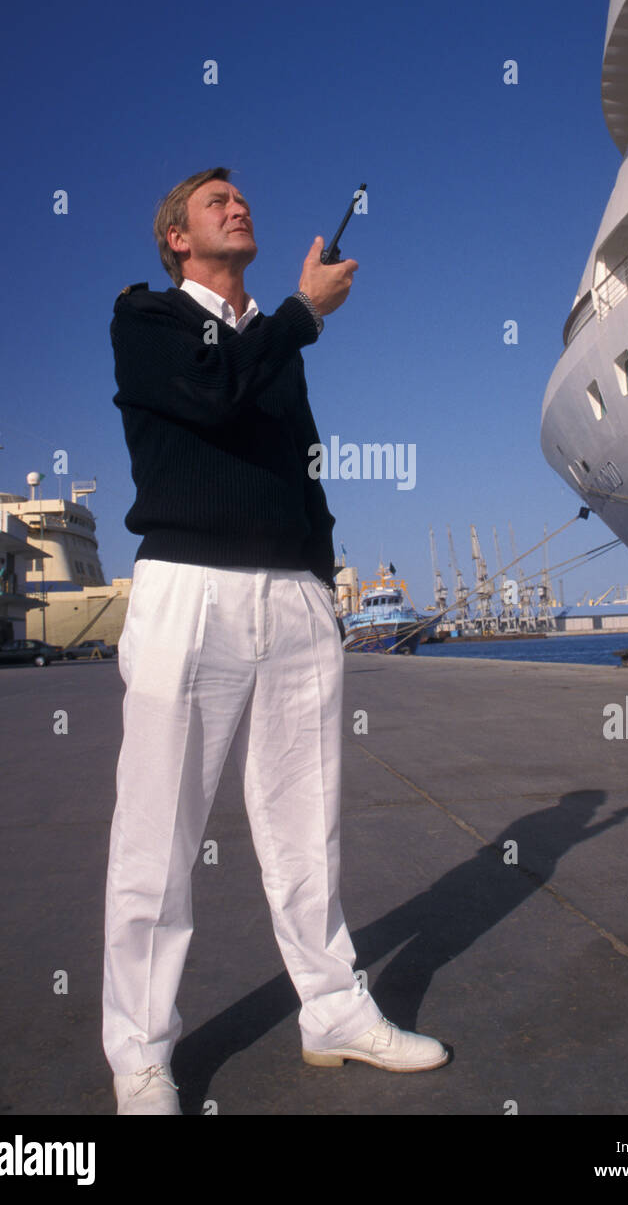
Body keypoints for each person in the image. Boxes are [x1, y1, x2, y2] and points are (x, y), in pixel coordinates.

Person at [103, 167, 448, 1115]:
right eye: (215, 203)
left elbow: (300, 465)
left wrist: (318, 579)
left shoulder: (272, 340)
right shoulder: (148, 321)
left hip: (292, 595)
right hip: (189, 591)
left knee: (307, 824)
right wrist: (302, 310)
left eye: (241, 198)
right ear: (177, 237)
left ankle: (333, 1010)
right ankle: (139, 1054)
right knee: (157, 836)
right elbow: (209, 396)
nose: (237, 206)